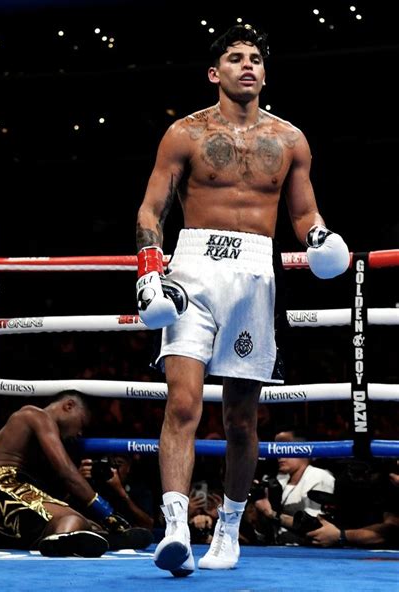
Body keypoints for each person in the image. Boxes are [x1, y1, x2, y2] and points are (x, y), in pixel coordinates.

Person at [135, 23, 349, 576]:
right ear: (215, 73)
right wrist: (148, 270)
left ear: (264, 72)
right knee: (182, 404)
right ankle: (177, 524)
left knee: (240, 419)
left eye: (255, 58)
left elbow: (303, 214)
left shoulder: (291, 139)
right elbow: (150, 210)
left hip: (255, 274)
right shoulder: (183, 134)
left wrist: (320, 237)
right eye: (235, 58)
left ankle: (228, 529)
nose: (247, 65)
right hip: (193, 270)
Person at [0, 390, 133, 557]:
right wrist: (107, 513)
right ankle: (65, 540)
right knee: (73, 520)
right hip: (4, 490)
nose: (80, 433)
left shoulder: (18, 436)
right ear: (69, 406)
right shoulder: (37, 416)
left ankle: (85, 537)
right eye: (81, 423)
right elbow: (66, 471)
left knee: (87, 525)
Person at [249, 428, 335, 545]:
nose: (279, 454)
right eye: (277, 448)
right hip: (279, 549)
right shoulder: (278, 480)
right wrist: (260, 514)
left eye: (284, 447)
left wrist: (272, 514)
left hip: (309, 551)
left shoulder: (319, 477)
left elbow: (317, 528)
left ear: (303, 448)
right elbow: (264, 533)